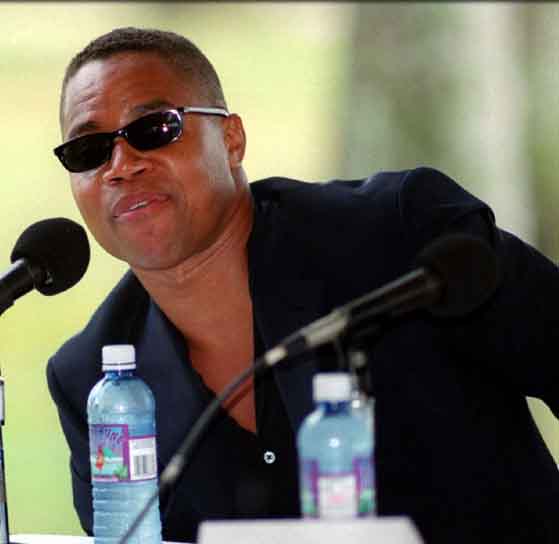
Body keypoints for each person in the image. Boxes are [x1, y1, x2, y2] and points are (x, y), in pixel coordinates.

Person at [46, 27, 559, 544]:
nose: (121, 166)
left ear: (231, 140)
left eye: (153, 128)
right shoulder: (90, 378)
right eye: (89, 149)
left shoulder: (402, 237)